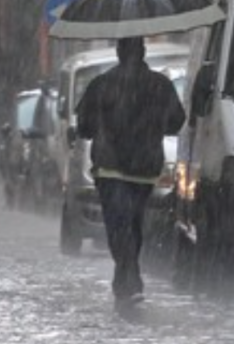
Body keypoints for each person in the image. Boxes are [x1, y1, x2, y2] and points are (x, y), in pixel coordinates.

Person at [76, 37, 186, 314]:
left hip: (110, 169)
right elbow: (176, 122)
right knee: (132, 224)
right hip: (144, 170)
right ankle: (127, 279)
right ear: (143, 52)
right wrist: (153, 125)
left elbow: (84, 127)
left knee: (118, 225)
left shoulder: (101, 84)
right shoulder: (161, 85)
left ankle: (128, 277)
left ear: (118, 52)